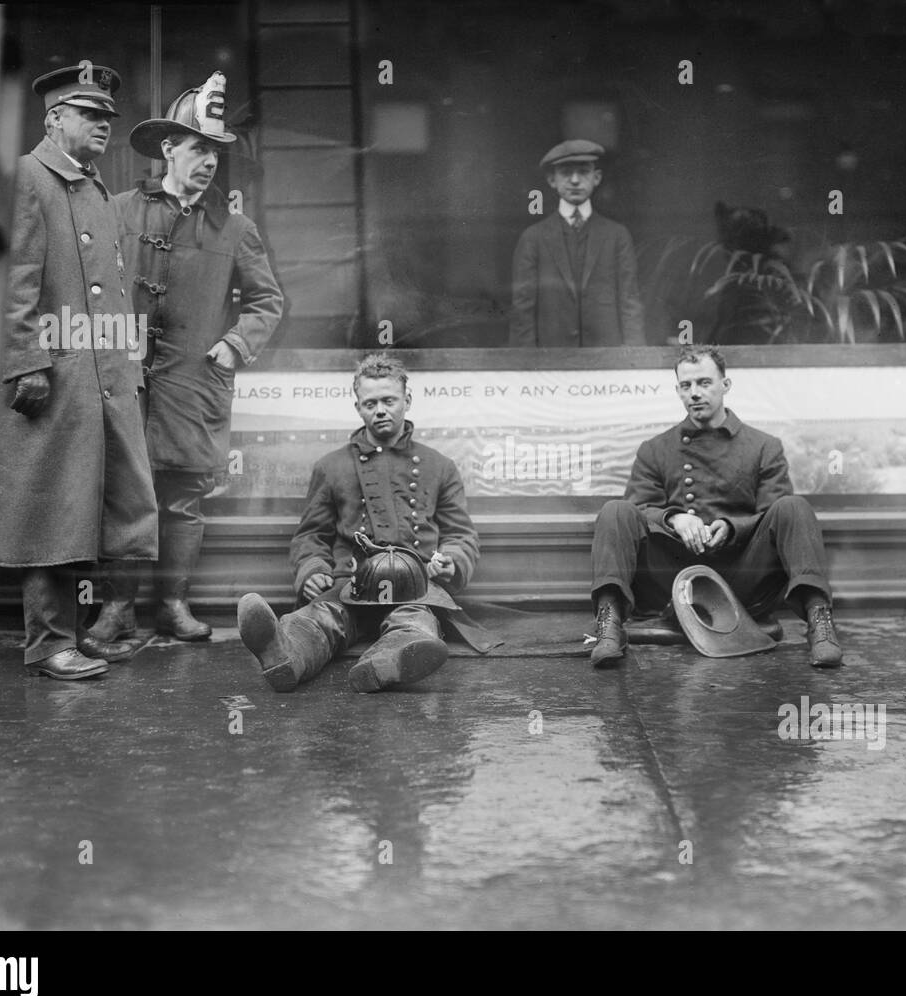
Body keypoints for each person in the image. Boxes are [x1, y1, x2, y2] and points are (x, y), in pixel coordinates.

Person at [87, 71, 282, 645]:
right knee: (122, 492)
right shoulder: (118, 211)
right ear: (169, 148)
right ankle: (116, 609)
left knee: (182, 497)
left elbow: (268, 301)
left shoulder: (236, 226)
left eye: (217, 154)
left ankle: (172, 604)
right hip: (123, 378)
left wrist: (235, 342)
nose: (209, 163)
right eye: (198, 149)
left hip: (194, 381)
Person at [0, 63, 159, 680]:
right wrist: (27, 363)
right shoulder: (28, 178)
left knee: (106, 511)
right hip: (54, 377)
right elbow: (14, 284)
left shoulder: (92, 187)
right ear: (54, 118)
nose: (104, 126)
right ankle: (48, 643)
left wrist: (127, 366)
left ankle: (94, 629)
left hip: (104, 378)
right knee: (51, 511)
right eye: (89, 114)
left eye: (108, 117)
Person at [237, 353, 486, 693]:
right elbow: (311, 535)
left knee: (414, 622)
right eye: (370, 403)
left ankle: (389, 660)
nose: (380, 410)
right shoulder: (331, 466)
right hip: (349, 584)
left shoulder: (439, 465)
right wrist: (312, 570)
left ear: (407, 401)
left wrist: (451, 561)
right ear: (358, 407)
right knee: (321, 618)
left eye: (389, 400)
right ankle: (283, 654)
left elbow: (460, 534)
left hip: (417, 584)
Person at [587, 344, 842, 669]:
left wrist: (732, 527)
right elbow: (639, 507)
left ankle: (819, 623)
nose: (694, 393)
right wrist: (674, 518)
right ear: (678, 390)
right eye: (686, 385)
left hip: (741, 581)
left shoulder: (763, 447)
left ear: (726, 385)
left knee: (793, 507)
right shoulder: (654, 450)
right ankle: (609, 626)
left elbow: (773, 513)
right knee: (615, 511)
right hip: (673, 582)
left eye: (704, 383)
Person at [509, 139, 645, 347]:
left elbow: (630, 303)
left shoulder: (617, 236)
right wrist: (525, 367)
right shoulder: (533, 238)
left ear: (596, 178)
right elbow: (523, 309)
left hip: (607, 362)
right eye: (565, 173)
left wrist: (634, 361)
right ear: (552, 180)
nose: (575, 180)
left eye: (583, 172)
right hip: (551, 363)